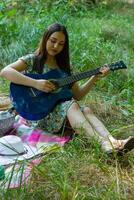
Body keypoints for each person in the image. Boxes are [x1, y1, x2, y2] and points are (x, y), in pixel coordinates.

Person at [0, 22, 134, 155]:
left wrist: (94, 77)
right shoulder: (33, 60)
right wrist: (36, 83)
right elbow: (5, 71)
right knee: (71, 105)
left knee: (86, 109)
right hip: (39, 114)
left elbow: (78, 95)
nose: (56, 46)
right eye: (53, 41)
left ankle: (113, 141)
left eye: (61, 44)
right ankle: (102, 143)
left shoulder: (65, 68)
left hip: (59, 114)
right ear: (46, 39)